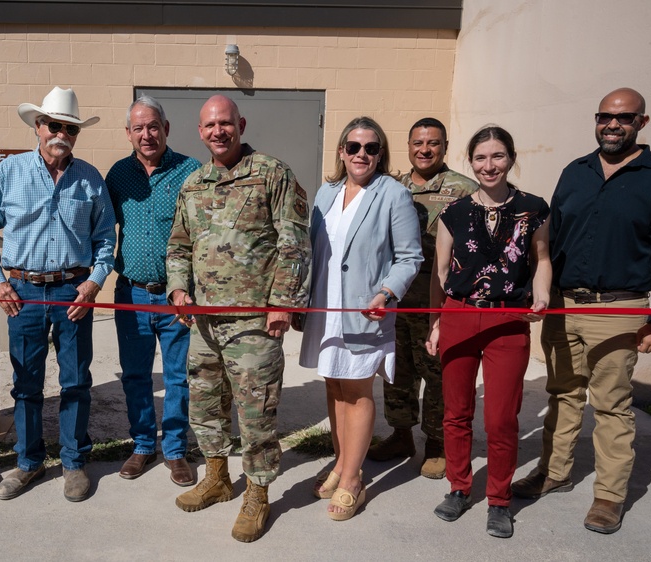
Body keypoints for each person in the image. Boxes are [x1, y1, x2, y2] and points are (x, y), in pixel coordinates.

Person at [511, 87, 651, 534]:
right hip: (563, 305)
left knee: (611, 405)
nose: (613, 125)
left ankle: (609, 496)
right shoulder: (576, 171)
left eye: (624, 118)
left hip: (620, 307)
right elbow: (548, 241)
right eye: (605, 117)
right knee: (563, 395)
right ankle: (554, 473)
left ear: (641, 123)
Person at [165, 95, 310, 542]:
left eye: (225, 123)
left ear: (241, 124)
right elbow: (179, 245)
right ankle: (218, 478)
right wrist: (178, 287)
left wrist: (283, 301)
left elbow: (295, 243)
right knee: (205, 405)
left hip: (253, 324)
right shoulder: (193, 184)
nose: (218, 131)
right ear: (200, 132)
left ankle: (258, 494)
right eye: (210, 125)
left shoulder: (272, 174)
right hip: (204, 322)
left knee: (255, 412)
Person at [0, 86, 115, 504]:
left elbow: (106, 238)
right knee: (27, 382)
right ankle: (29, 461)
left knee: (74, 381)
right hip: (23, 292)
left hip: (74, 291)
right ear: (38, 126)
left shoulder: (89, 178)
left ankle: (73, 462)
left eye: (70, 128)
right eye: (54, 125)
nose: (62, 135)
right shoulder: (9, 172)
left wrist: (93, 283)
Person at [426, 125, 551, 538]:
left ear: (511, 158)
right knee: (456, 412)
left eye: (497, 156)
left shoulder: (534, 209)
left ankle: (499, 499)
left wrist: (542, 294)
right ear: (471, 161)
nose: (489, 165)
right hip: (459, 315)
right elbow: (439, 274)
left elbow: (542, 259)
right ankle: (459, 488)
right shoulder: (454, 212)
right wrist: (437, 321)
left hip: (507, 320)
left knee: (501, 418)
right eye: (480, 158)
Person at [300, 117, 423, 522]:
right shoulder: (327, 192)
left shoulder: (393, 194)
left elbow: (410, 257)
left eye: (371, 148)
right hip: (326, 308)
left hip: (366, 308)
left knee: (357, 390)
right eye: (354, 147)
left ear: (381, 154)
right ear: (341, 151)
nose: (362, 155)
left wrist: (387, 293)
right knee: (335, 387)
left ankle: (353, 479)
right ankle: (340, 463)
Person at [368, 118, 477, 479]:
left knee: (438, 375)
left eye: (432, 143)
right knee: (396, 372)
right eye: (418, 143)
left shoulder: (464, 191)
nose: (424, 150)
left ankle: (436, 442)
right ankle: (400, 435)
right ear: (409, 146)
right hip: (396, 299)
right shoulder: (389, 186)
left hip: (438, 302)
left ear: (445, 146)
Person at [105, 96, 201, 486]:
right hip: (131, 293)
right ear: (128, 133)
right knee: (135, 375)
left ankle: (175, 449)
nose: (147, 134)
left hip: (175, 296)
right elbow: (98, 228)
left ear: (166, 128)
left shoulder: (190, 171)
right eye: (138, 128)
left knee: (178, 376)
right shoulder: (117, 175)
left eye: (153, 126)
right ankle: (143, 444)